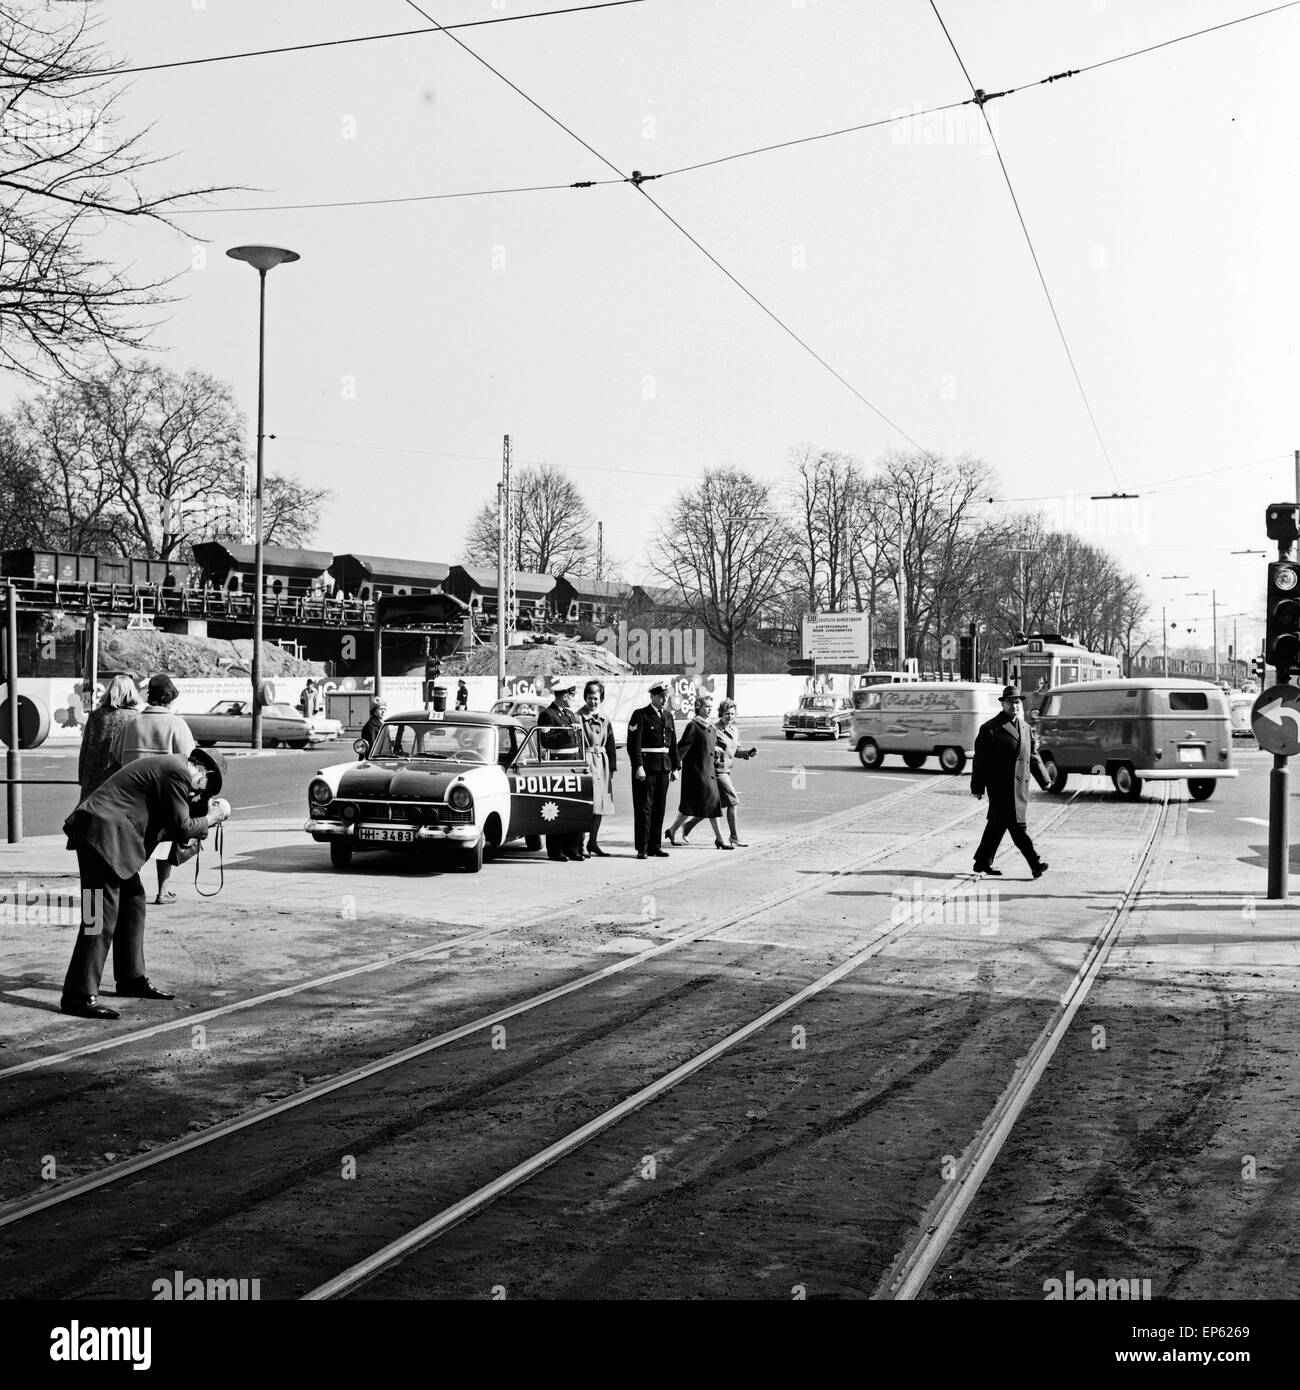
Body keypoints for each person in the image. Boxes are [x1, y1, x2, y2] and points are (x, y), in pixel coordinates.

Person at [60, 748, 231, 1020]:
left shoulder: (172, 770)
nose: (198, 794)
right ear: (203, 772)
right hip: (101, 837)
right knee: (98, 918)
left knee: (133, 901)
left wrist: (201, 814)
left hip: (107, 837)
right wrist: (212, 818)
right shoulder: (178, 771)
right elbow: (183, 827)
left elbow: (174, 825)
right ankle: (78, 995)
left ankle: (130, 978)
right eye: (203, 788)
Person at [111, 674, 195, 906]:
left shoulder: (132, 723)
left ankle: (126, 889)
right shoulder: (177, 724)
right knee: (166, 842)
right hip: (164, 797)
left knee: (133, 845)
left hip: (131, 798)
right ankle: (162, 890)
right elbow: (189, 763)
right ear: (170, 699)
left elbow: (117, 756)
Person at [970, 684, 1050, 879]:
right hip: (1001, 789)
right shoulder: (991, 729)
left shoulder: (1025, 727)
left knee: (996, 826)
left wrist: (1044, 779)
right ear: (1003, 704)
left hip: (1019, 788)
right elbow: (981, 762)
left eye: (1017, 702)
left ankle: (982, 862)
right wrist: (978, 788)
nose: (1014, 706)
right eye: (1010, 702)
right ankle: (1035, 863)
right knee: (1017, 828)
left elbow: (1033, 756)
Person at [681, 697, 757, 847]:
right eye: (727, 713)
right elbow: (706, 748)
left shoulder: (735, 730)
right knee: (734, 801)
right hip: (716, 771)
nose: (730, 717)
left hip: (727, 771)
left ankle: (687, 826)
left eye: (733, 714)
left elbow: (736, 750)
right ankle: (733, 837)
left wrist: (747, 753)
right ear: (721, 714)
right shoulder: (714, 729)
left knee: (714, 806)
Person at [666, 694, 730, 849]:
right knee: (711, 804)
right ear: (698, 707)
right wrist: (675, 768)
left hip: (708, 771)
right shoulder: (693, 726)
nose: (709, 710)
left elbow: (709, 745)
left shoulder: (710, 726)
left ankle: (672, 830)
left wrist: (716, 751)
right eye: (706, 706)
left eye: (710, 707)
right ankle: (720, 839)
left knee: (691, 807)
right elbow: (682, 748)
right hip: (697, 774)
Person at [627, 680, 679, 859]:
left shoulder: (668, 716)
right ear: (653, 696)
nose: (664, 699)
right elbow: (634, 744)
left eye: (666, 696)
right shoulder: (640, 715)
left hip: (664, 767)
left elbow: (673, 744)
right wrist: (638, 766)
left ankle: (655, 846)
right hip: (647, 768)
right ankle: (642, 847)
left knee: (659, 808)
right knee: (644, 808)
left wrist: (676, 766)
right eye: (661, 696)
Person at [537, 677, 585, 861]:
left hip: (573, 762)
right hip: (559, 763)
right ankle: (555, 850)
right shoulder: (548, 715)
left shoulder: (570, 715)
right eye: (572, 695)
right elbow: (546, 740)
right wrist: (566, 733)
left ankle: (572, 848)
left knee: (572, 807)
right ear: (564, 696)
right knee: (557, 807)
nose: (573, 698)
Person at [78, 675, 141, 801]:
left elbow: (85, 747)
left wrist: (81, 777)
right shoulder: (136, 718)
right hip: (123, 777)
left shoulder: (96, 715)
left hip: (94, 777)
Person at [578, 679, 616, 857]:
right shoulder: (578, 717)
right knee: (587, 805)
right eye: (590, 698)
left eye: (596, 698)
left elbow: (611, 744)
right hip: (586, 763)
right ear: (585, 697)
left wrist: (613, 767)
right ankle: (582, 844)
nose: (593, 702)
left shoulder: (605, 719)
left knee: (599, 805)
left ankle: (593, 842)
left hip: (602, 764)